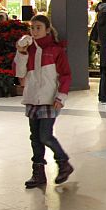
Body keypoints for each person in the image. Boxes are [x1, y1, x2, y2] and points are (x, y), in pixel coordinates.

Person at [14, 14, 74, 188]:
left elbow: (66, 75)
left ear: (47, 29)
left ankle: (63, 163)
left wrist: (61, 96)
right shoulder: (29, 49)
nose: (34, 31)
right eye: (32, 28)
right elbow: (20, 73)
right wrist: (21, 52)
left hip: (50, 99)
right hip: (32, 98)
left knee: (45, 135)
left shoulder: (56, 50)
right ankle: (38, 173)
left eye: (38, 27)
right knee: (35, 138)